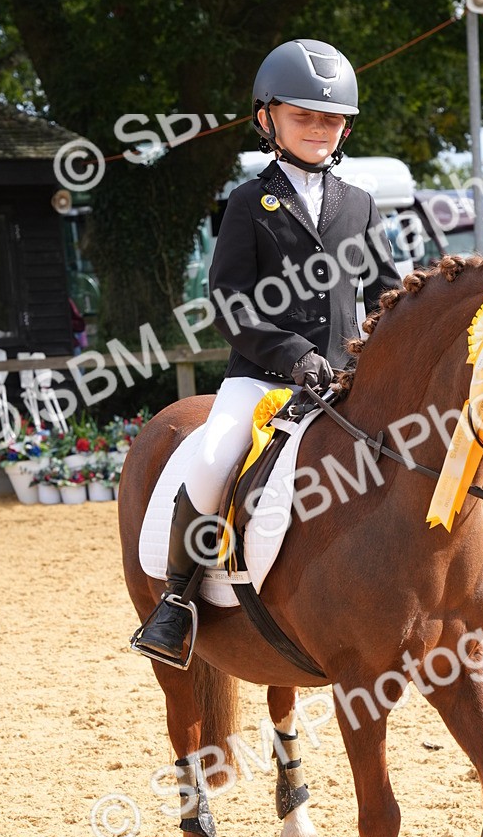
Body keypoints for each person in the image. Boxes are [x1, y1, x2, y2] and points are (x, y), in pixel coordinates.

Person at [133, 38, 401, 665]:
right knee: (211, 461)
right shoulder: (249, 203)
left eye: (330, 119)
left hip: (340, 383)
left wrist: (375, 355)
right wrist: (291, 354)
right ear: (267, 119)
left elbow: (388, 294)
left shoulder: (360, 205)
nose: (319, 129)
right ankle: (177, 602)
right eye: (304, 116)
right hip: (261, 379)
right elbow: (229, 299)